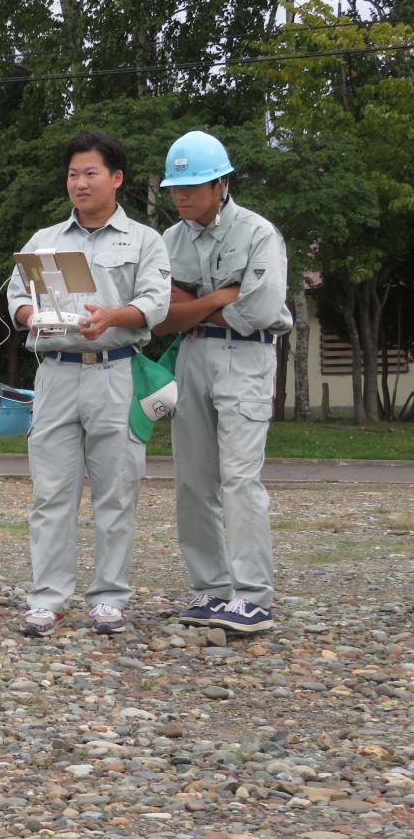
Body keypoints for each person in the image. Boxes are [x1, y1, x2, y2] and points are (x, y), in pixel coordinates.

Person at [6, 131, 170, 637]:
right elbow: (14, 298)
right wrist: (30, 314)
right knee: (51, 493)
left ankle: (109, 599)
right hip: (55, 374)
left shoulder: (144, 239)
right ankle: (48, 600)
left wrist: (114, 316)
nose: (80, 182)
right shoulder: (45, 240)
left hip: (115, 370)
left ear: (116, 178)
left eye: (90, 172)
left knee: (116, 492)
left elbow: (156, 303)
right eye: (73, 173)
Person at [154, 130, 292, 634]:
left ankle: (253, 595)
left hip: (246, 359)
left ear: (223, 183)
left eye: (194, 185)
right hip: (190, 357)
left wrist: (190, 302)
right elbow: (161, 316)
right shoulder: (171, 239)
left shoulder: (259, 234)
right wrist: (217, 297)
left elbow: (257, 308)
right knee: (192, 478)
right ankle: (211, 588)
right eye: (176, 186)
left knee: (239, 477)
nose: (182, 195)